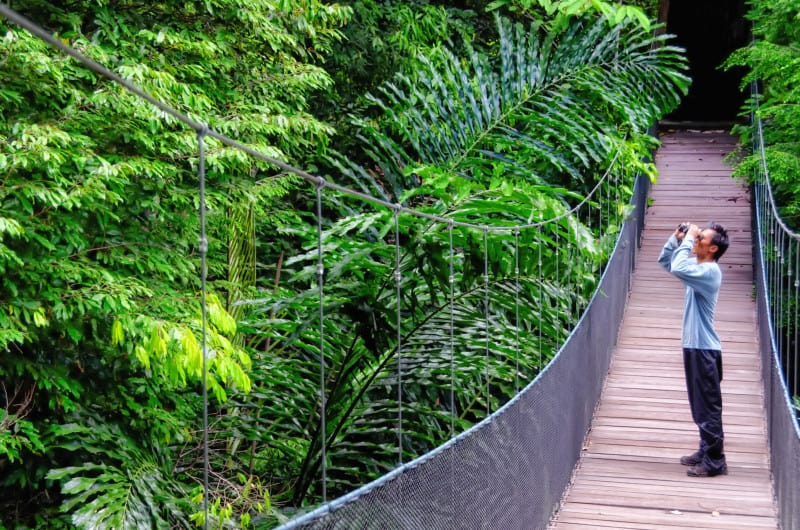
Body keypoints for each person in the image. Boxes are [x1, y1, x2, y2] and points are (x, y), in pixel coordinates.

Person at [658, 221, 730, 477]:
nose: (696, 240)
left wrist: (688, 237)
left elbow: (677, 265)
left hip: (703, 349)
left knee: (708, 406)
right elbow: (667, 263)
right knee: (700, 404)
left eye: (701, 239)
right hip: (695, 346)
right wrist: (677, 238)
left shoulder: (710, 272)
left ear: (712, 249)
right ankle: (705, 449)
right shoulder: (699, 268)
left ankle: (715, 460)